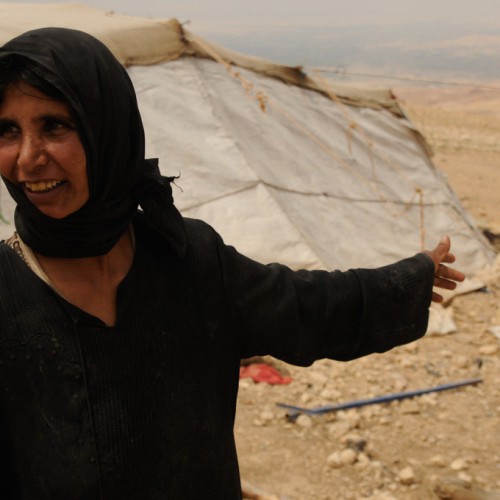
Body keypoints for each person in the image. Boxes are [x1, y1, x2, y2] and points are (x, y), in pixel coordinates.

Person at [0, 28, 464, 500]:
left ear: (107, 128)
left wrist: (408, 280)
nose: (28, 158)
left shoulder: (188, 259)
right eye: (8, 131)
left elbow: (303, 306)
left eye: (55, 126)